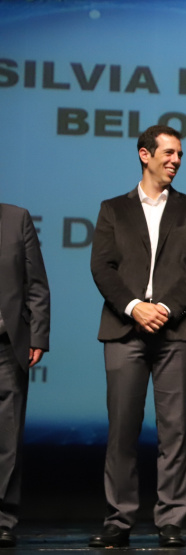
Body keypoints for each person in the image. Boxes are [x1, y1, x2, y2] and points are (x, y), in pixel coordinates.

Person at [88, 125, 186, 548]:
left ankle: (171, 519)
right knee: (122, 428)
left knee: (174, 431)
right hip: (124, 330)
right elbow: (102, 267)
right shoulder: (112, 209)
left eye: (180, 154)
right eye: (168, 153)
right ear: (145, 155)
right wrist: (133, 307)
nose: (176, 160)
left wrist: (163, 308)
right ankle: (119, 518)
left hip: (176, 331)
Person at [0, 204, 51, 549]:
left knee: (7, 437)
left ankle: (3, 518)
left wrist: (37, 336)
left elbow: (36, 285)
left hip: (6, 344)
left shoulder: (16, 218)